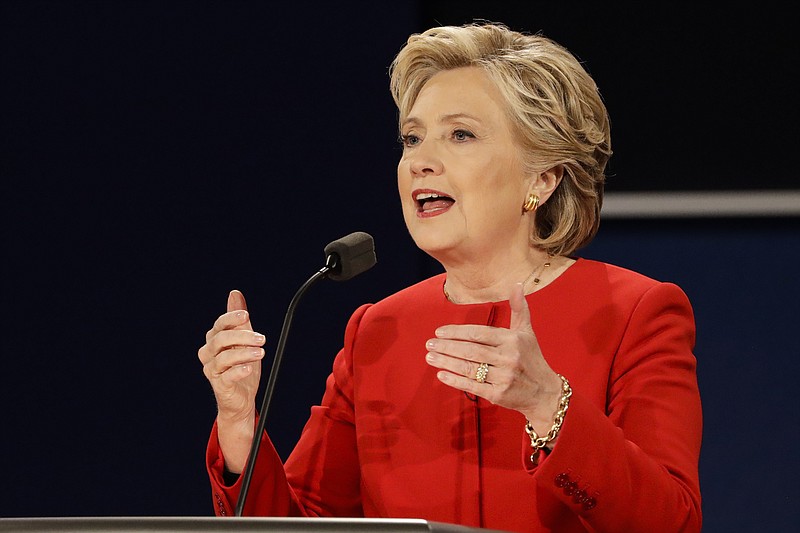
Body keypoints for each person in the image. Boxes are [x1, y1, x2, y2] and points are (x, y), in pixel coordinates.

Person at [197, 22, 702, 533]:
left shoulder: (634, 312)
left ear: (542, 178)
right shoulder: (378, 329)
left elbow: (672, 524)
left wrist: (548, 404)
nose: (420, 162)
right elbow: (305, 527)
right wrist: (240, 423)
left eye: (460, 134)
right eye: (412, 139)